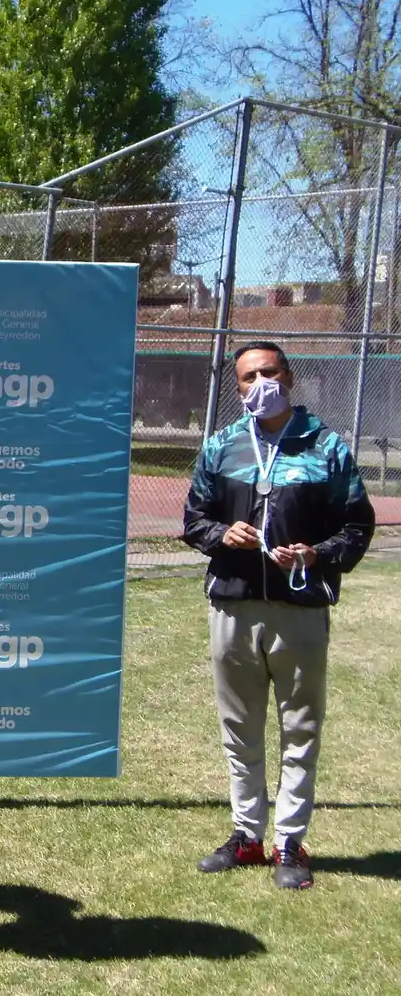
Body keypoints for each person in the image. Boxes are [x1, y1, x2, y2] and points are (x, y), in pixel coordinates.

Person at [182, 340, 373, 890]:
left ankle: (290, 842)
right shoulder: (222, 446)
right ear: (236, 387)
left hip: (300, 607)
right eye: (247, 377)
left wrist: (318, 554)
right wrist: (224, 533)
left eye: (268, 373)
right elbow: (195, 518)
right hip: (234, 603)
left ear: (287, 378)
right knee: (239, 728)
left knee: (300, 726)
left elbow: (357, 525)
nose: (259, 383)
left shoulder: (326, 447)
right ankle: (247, 836)